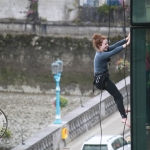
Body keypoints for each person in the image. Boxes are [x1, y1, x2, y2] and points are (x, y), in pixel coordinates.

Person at [92, 33, 130, 127]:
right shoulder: (100, 55)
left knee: (117, 96)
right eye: (105, 44)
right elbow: (113, 52)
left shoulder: (103, 50)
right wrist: (126, 44)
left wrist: (126, 39)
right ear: (99, 46)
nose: (107, 45)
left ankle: (122, 109)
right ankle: (123, 118)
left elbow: (114, 46)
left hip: (103, 79)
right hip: (101, 81)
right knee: (118, 96)